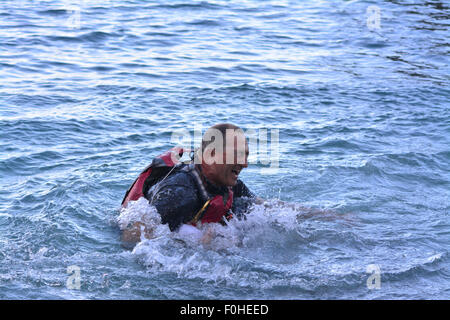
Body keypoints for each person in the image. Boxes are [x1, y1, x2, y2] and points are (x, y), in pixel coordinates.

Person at [121, 123, 258, 244]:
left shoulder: (232, 186)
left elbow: (265, 208)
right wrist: (197, 249)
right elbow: (130, 239)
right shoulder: (180, 193)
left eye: (246, 155)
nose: (244, 164)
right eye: (237, 154)